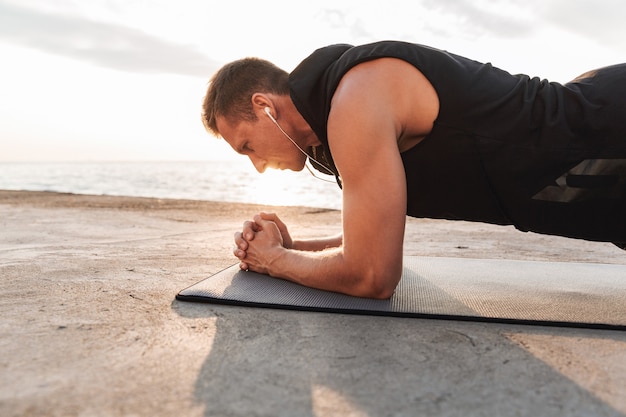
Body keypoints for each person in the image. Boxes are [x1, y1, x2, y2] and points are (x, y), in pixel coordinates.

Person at [201, 40, 626, 299]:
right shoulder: (336, 122)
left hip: (610, 134)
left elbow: (372, 276)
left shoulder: (356, 101)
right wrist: (296, 249)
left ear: (264, 106)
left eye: (248, 146)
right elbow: (369, 239)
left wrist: (276, 261)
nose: (257, 165)